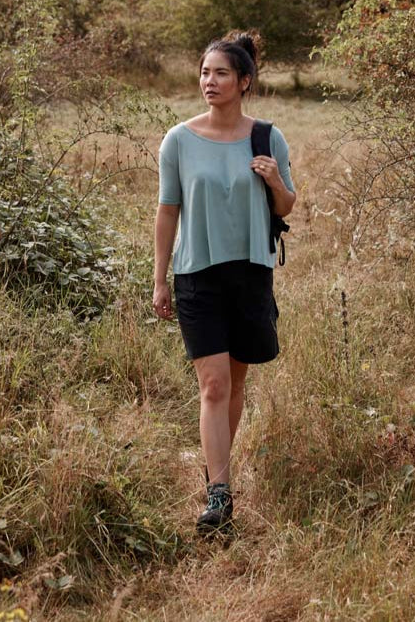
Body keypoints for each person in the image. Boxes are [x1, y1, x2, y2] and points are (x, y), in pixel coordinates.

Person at [153, 30, 296, 534]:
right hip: (196, 274)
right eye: (204, 73)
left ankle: (217, 473)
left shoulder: (267, 137)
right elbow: (168, 209)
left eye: (220, 74)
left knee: (235, 384)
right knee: (212, 385)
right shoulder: (179, 139)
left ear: (244, 82)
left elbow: (286, 206)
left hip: (250, 273)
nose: (209, 82)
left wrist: (275, 180)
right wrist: (160, 280)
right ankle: (220, 494)